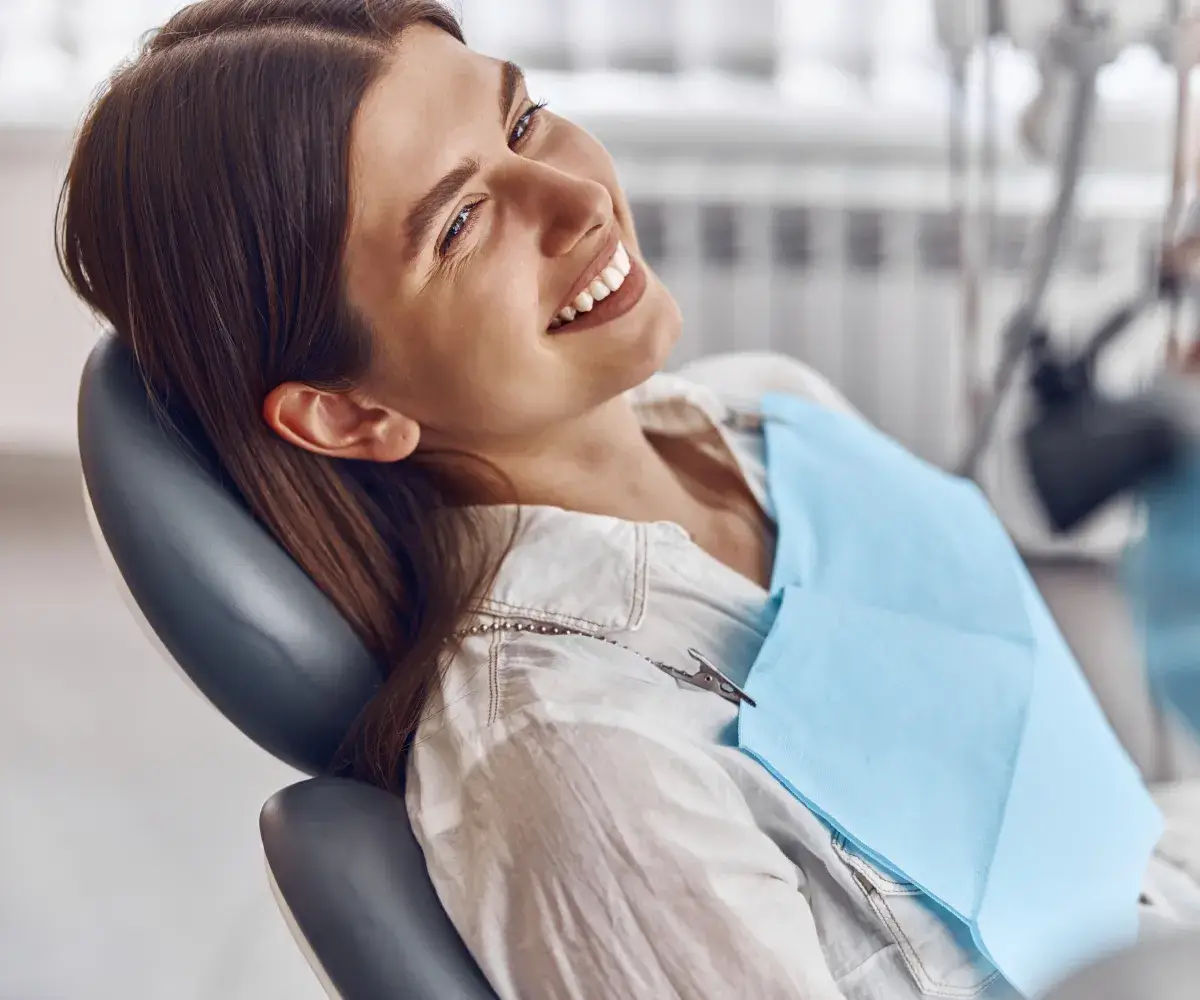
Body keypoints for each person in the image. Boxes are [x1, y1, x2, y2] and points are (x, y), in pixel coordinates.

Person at [56, 2, 1200, 997]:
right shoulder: (573, 761)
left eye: (521, 120)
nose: (572, 200)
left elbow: (1082, 829)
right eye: (459, 224)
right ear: (349, 416)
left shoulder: (769, 412)